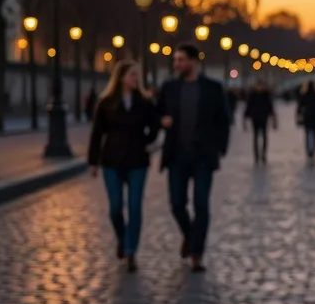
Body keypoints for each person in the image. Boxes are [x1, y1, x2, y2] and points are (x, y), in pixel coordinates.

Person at [157, 43, 231, 273]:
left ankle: (197, 254)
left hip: (202, 156)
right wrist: (162, 121)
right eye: (175, 60)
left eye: (180, 60)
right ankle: (190, 236)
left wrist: (220, 148)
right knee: (177, 203)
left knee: (201, 204)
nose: (176, 64)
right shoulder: (169, 88)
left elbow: (223, 119)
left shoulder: (212, 88)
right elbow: (157, 112)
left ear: (192, 61)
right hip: (177, 155)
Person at [86, 60, 160, 273]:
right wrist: (93, 161)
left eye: (137, 76)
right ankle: (122, 237)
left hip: (137, 160)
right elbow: (97, 134)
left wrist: (148, 141)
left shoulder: (145, 102)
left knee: (135, 207)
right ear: (121, 78)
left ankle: (130, 251)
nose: (135, 80)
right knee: (116, 207)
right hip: (112, 161)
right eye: (132, 76)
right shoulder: (106, 102)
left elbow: (154, 126)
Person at [243, 81, 277, 164]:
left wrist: (273, 118)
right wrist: (245, 118)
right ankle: (257, 155)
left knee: (264, 136)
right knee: (256, 136)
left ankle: (263, 154)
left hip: (263, 117)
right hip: (255, 117)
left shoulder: (265, 96)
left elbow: (270, 107)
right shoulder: (253, 96)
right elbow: (248, 106)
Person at [297, 80, 315, 162]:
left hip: (307, 118)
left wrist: (299, 116)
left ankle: (309, 151)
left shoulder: (304, 96)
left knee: (307, 136)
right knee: (314, 135)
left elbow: (299, 108)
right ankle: (313, 151)